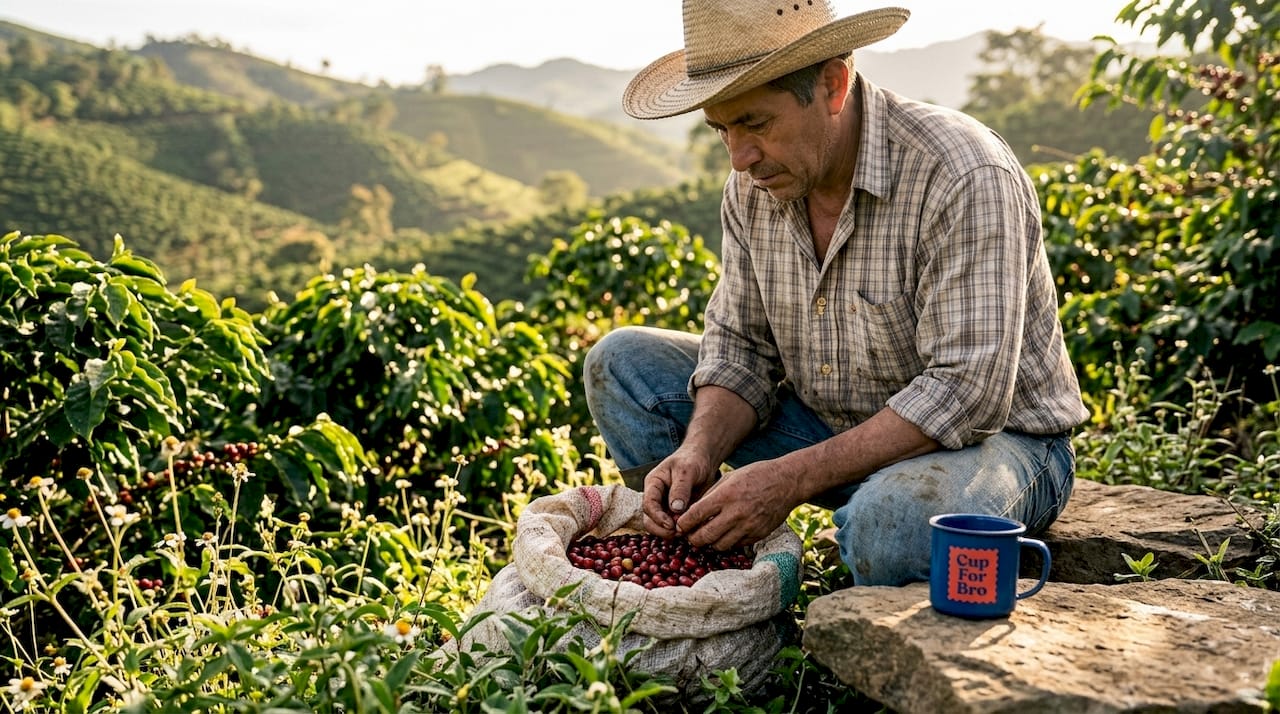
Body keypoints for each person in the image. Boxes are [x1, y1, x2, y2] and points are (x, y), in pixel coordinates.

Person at [583, 0, 1089, 586]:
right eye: (722, 129)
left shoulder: (960, 174)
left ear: (832, 84)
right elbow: (740, 349)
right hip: (829, 426)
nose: (739, 157)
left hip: (996, 444)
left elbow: (966, 393)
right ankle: (706, 567)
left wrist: (789, 478)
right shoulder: (754, 189)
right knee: (622, 363)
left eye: (756, 123)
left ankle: (862, 531)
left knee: (894, 525)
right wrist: (698, 450)